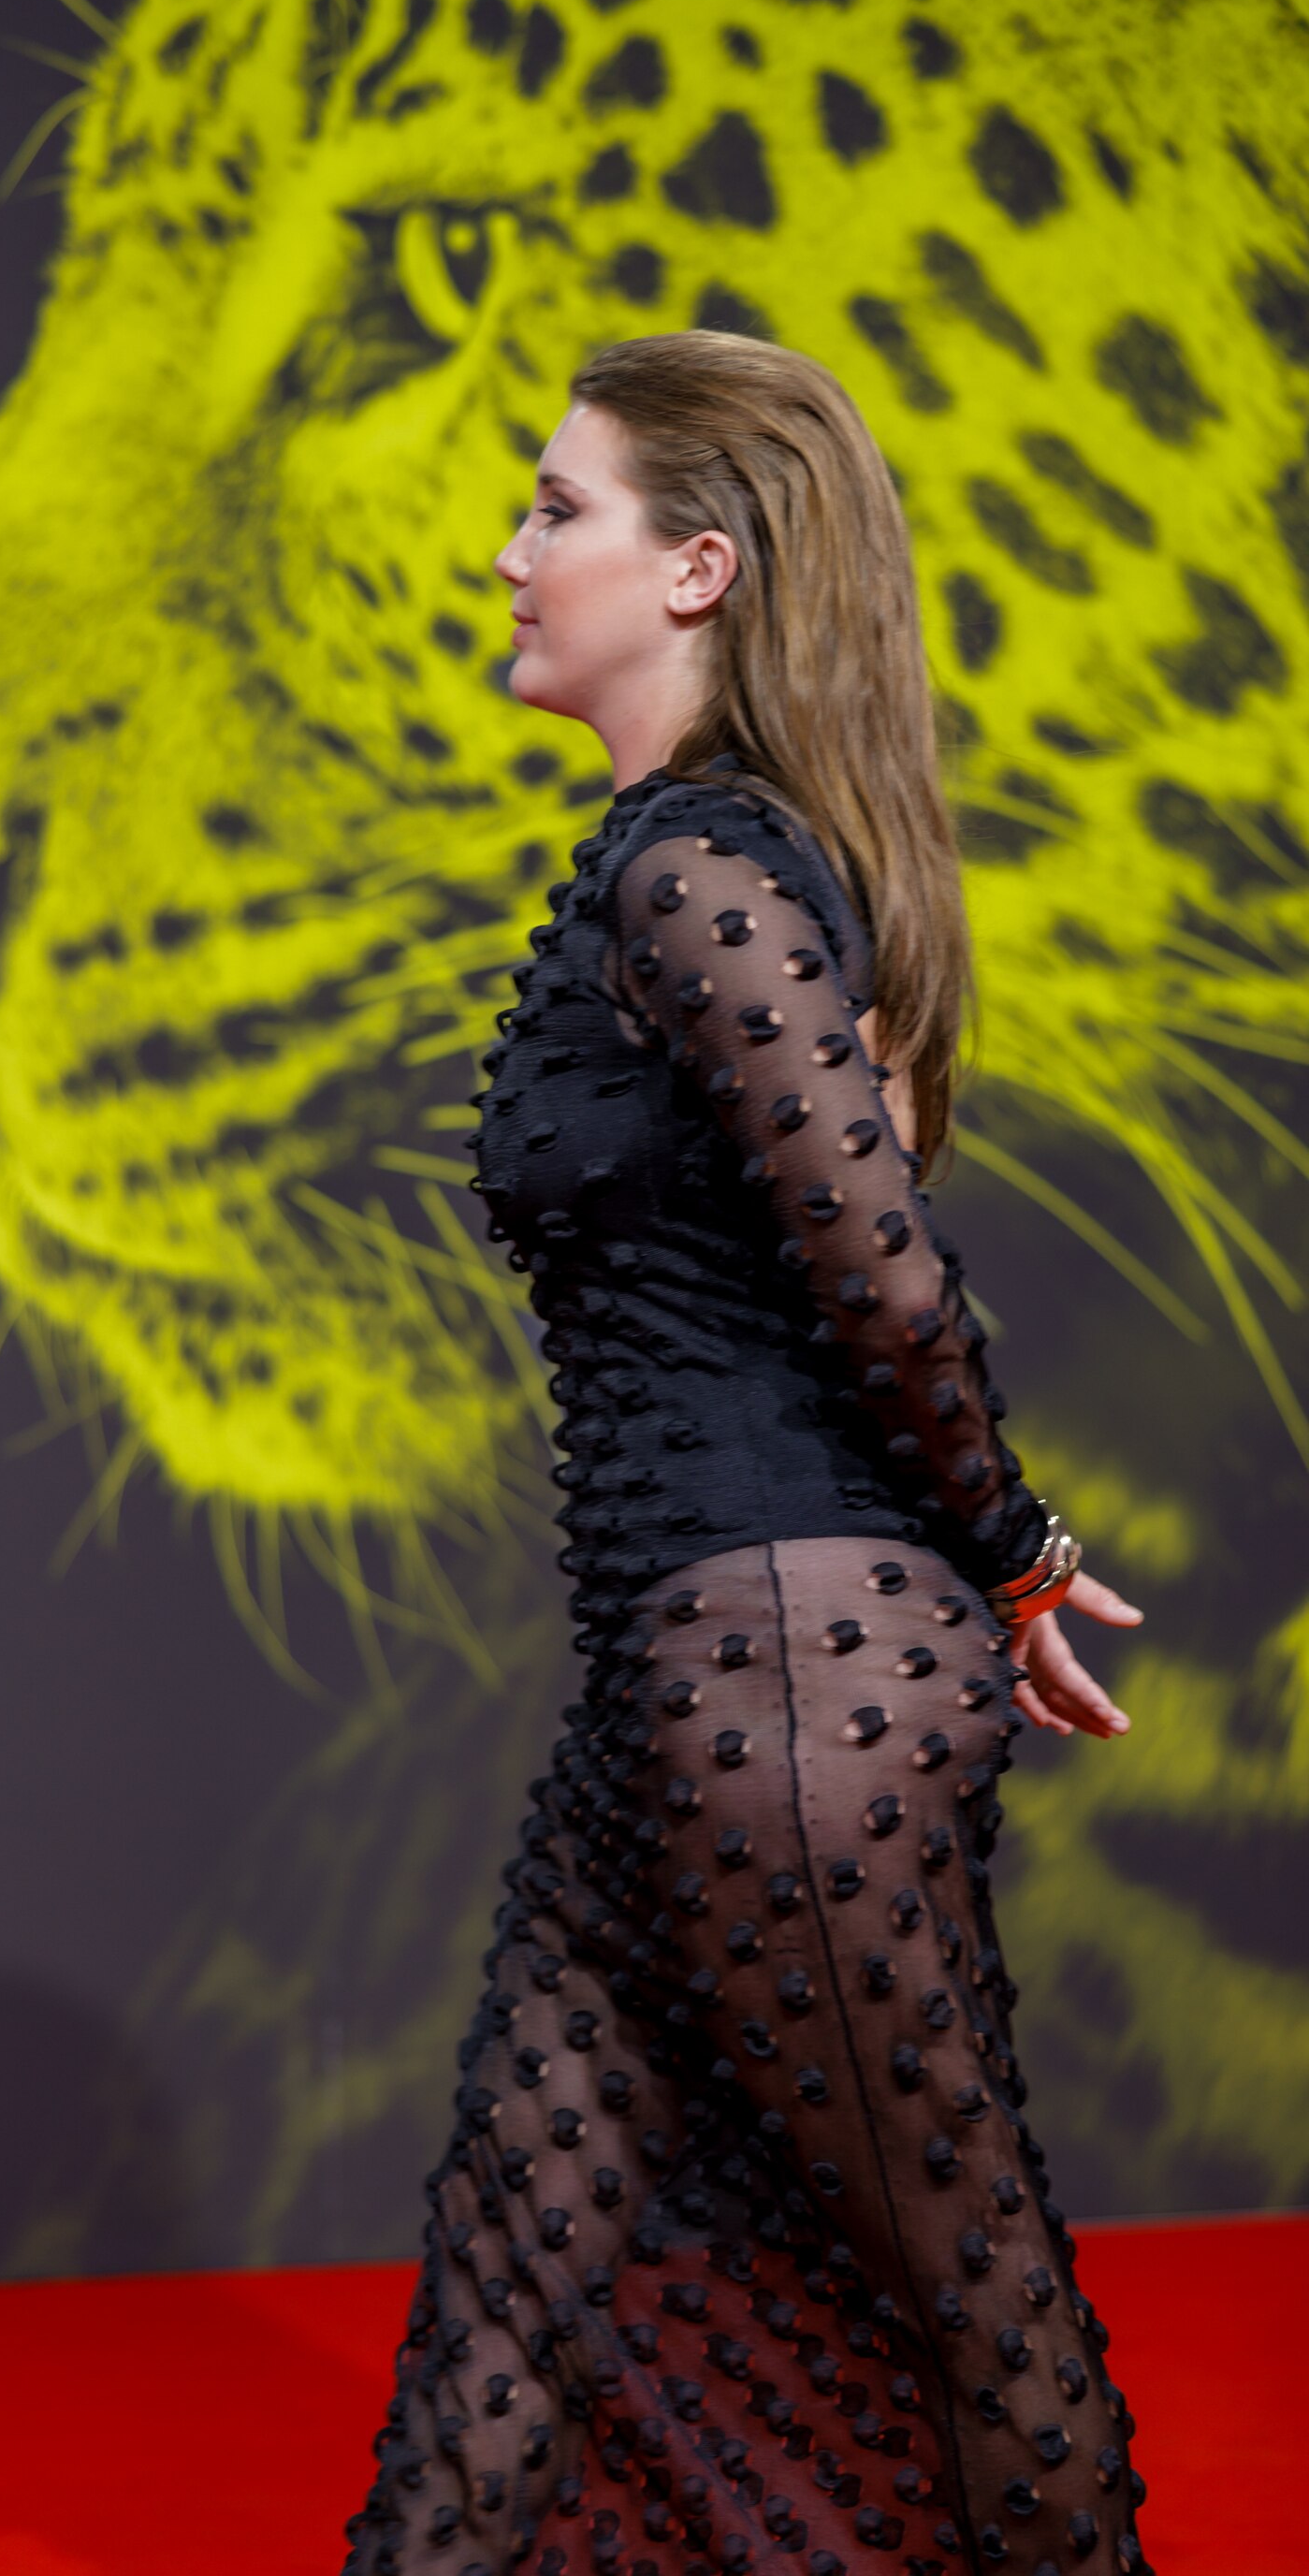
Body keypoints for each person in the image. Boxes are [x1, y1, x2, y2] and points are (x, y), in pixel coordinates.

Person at [342, 333, 1152, 2576]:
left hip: (794, 1687)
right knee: (498, 2347)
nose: (505, 555)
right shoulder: (695, 875)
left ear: (699, 569)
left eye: (552, 509)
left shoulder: (707, 880)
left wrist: (1014, 1550)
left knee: (981, 2336)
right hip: (689, 1694)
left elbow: (881, 1274)